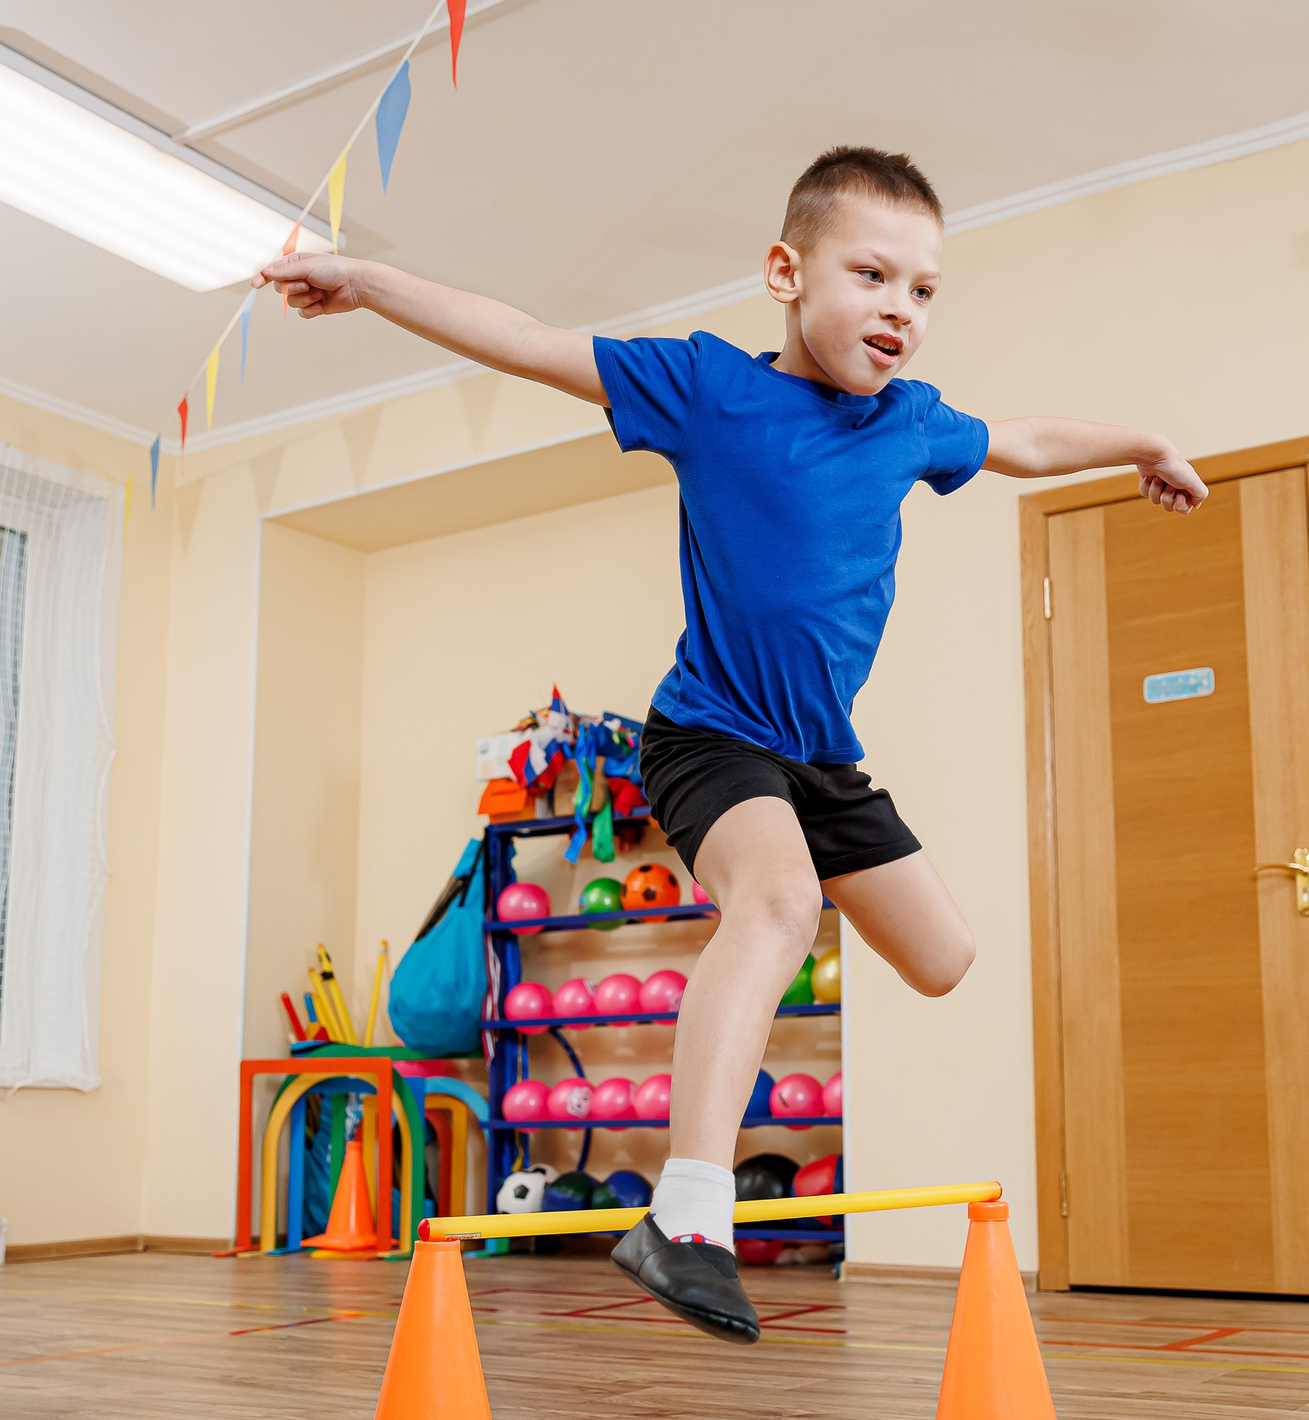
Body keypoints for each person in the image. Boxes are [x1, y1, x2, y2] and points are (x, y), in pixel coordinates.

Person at [264, 146, 1205, 1343]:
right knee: (776, 909)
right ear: (785, 272)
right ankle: (688, 1212)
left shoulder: (909, 424)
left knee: (942, 955)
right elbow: (526, 338)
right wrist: (368, 283)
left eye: (922, 290)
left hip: (820, 760)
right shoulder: (709, 391)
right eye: (871, 274)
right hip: (712, 737)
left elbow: (1020, 441)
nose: (899, 310)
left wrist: (1141, 445)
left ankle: (694, 1198)